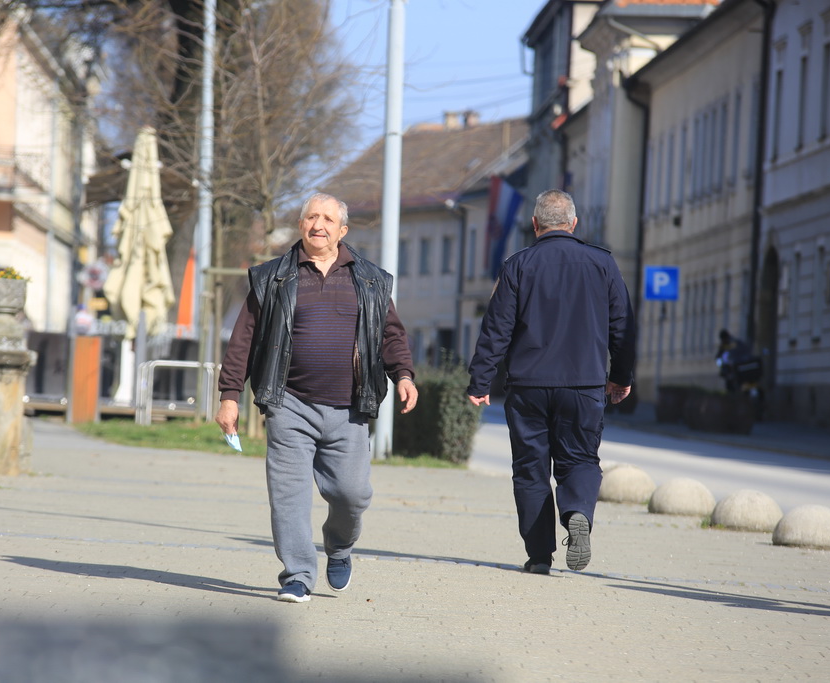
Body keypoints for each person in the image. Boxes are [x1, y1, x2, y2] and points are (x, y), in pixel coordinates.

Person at [216, 192, 419, 603]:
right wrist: (229, 395)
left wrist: (404, 374)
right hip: (289, 403)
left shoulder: (371, 279)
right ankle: (297, 574)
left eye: (327, 218)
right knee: (288, 496)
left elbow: (391, 334)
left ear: (343, 230)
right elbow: (244, 340)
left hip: (349, 407)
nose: (318, 225)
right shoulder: (272, 277)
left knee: (352, 493)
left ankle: (339, 546)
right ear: (301, 224)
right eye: (311, 217)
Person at [466, 189, 635, 576]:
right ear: (574, 224)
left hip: (528, 386)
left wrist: (481, 381)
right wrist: (621, 378)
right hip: (584, 384)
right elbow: (623, 327)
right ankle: (577, 512)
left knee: (530, 468)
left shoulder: (518, 265)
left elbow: (497, 329)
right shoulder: (602, 263)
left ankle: (540, 555)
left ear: (535, 224)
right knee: (579, 459)